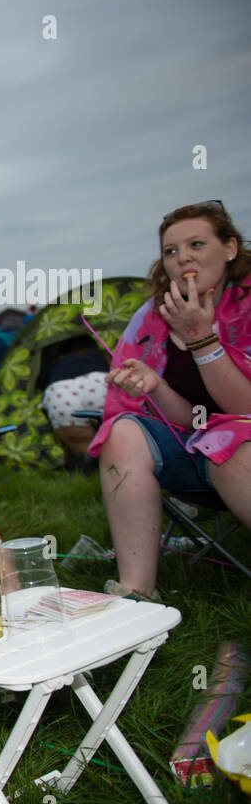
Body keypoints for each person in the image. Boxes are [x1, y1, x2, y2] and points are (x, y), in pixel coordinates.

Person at [89, 201, 251, 600]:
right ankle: (136, 594)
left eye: (196, 244)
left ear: (230, 248)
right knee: (122, 432)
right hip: (192, 448)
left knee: (225, 443)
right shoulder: (153, 316)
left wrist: (200, 338)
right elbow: (191, 423)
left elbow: (242, 410)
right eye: (171, 251)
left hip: (240, 451)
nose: (184, 259)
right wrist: (153, 387)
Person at [36, 338, 109, 471]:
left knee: (84, 446)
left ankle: (88, 463)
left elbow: (39, 384)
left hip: (61, 393)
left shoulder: (49, 357)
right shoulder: (100, 352)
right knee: (114, 439)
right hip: (99, 384)